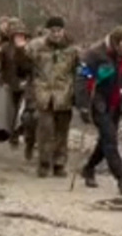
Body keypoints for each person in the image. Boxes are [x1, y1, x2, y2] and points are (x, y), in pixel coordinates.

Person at [76, 26, 122, 195]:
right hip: (98, 100)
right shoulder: (94, 54)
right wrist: (83, 105)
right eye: (117, 44)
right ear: (111, 42)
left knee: (105, 141)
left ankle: (89, 168)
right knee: (110, 138)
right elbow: (82, 78)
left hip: (117, 102)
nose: (120, 48)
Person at [17, 16, 78, 177]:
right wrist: (20, 51)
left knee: (62, 132)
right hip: (43, 94)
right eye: (53, 31)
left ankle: (59, 163)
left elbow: (79, 71)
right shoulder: (36, 47)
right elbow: (22, 66)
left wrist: (79, 93)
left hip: (64, 95)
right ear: (47, 31)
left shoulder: (72, 49)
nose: (56, 34)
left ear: (63, 31)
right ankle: (44, 163)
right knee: (45, 131)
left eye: (59, 30)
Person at [0, 19, 32, 148]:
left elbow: (29, 67)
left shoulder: (29, 48)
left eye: (22, 35)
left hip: (25, 84)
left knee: (23, 111)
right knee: (11, 110)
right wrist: (0, 79)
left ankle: (20, 134)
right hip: (9, 83)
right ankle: (13, 133)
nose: (20, 37)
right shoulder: (5, 48)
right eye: (17, 35)